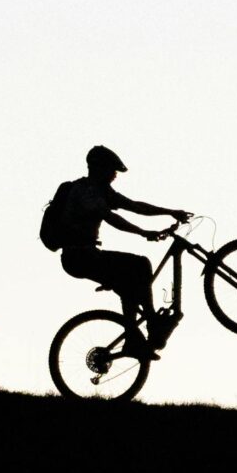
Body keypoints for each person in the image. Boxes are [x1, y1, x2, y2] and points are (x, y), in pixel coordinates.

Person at [49, 145, 190, 359]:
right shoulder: (85, 190)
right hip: (78, 257)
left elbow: (134, 206)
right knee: (140, 265)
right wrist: (144, 233)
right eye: (112, 170)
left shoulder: (102, 190)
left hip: (86, 255)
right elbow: (111, 218)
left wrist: (170, 212)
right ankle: (150, 326)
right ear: (99, 169)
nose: (115, 175)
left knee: (130, 286)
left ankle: (134, 339)